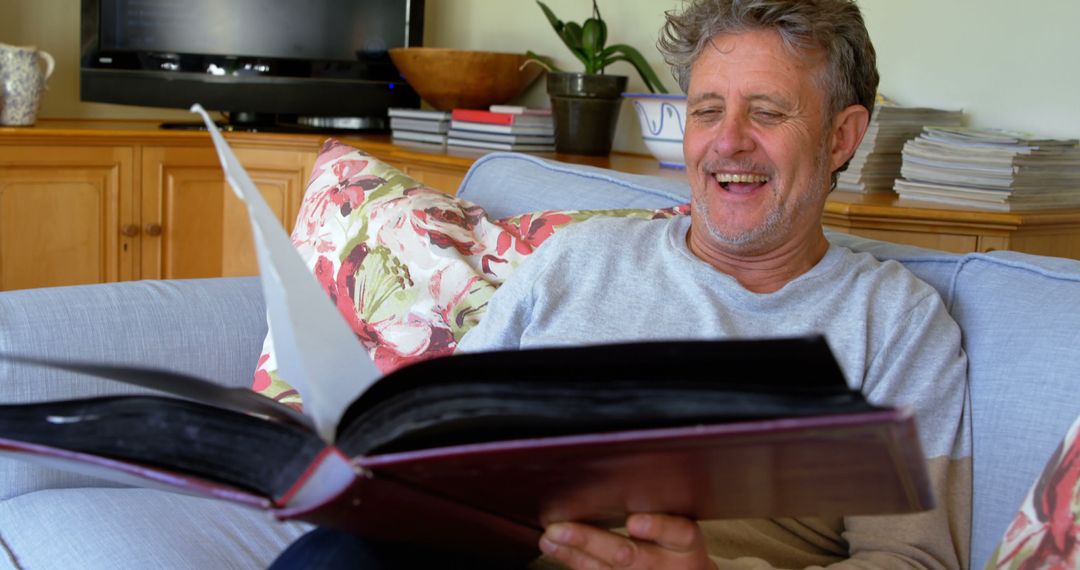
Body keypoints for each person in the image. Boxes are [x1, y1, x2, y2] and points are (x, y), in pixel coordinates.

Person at [272, 0, 972, 568]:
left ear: (843, 137)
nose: (727, 141)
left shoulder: (895, 321)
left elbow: (913, 562)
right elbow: (445, 437)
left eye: (767, 112)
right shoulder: (580, 258)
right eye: (706, 110)